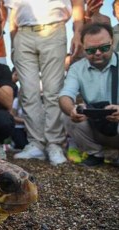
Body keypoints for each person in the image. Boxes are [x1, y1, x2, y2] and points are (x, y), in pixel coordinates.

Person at [6, 0, 85, 166]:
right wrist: (14, 43)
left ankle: (54, 143)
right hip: (22, 33)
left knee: (53, 90)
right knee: (28, 91)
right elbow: (13, 11)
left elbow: (77, 3)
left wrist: (78, 32)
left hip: (54, 28)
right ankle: (35, 143)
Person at [59, 23, 119, 167]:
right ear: (83, 48)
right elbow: (65, 96)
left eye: (104, 48)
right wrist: (72, 110)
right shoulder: (77, 68)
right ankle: (95, 154)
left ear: (112, 42)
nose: (98, 53)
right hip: (96, 125)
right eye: (91, 50)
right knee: (66, 115)